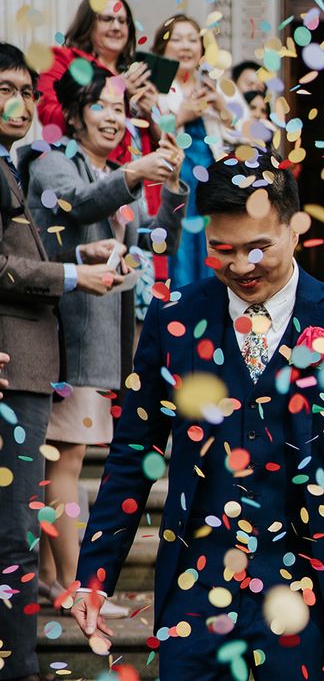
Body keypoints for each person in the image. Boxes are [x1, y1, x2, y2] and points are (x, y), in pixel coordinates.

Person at [70, 149, 324, 678]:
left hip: (306, 589)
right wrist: (95, 574)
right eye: (224, 250)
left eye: (258, 248)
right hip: (193, 590)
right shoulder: (174, 316)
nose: (242, 267)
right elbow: (134, 454)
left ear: (295, 229)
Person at [23, 67, 188, 619]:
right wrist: (136, 172)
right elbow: (73, 205)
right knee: (64, 463)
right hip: (63, 335)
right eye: (102, 106)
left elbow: (156, 234)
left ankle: (53, 581)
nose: (115, 117)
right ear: (73, 115)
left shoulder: (114, 173)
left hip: (101, 336)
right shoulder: (52, 161)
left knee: (64, 463)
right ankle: (74, 588)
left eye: (121, 108)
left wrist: (174, 184)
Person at [0, 41, 122, 681]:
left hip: (39, 359)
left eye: (23, 92)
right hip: (21, 359)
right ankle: (21, 656)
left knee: (18, 522)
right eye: (3, 91)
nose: (17, 105)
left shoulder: (15, 164)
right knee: (18, 520)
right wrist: (75, 272)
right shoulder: (34, 165)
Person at [154, 14, 245, 287]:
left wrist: (220, 106)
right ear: (162, 48)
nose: (186, 47)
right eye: (177, 39)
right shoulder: (154, 84)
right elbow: (148, 133)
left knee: (212, 247)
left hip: (211, 186)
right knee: (178, 252)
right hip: (174, 183)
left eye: (193, 40)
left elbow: (249, 133)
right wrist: (182, 115)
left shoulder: (215, 85)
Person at [36, 0, 157, 166]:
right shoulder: (63, 59)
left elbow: (156, 144)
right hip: (84, 171)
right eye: (107, 19)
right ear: (88, 23)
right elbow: (50, 117)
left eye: (123, 21)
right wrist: (115, 89)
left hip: (139, 180)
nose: (116, 27)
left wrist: (154, 117)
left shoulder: (137, 72)